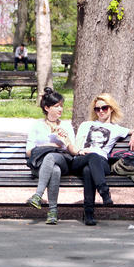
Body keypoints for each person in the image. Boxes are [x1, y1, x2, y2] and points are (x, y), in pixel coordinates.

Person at [71, 93, 134, 226]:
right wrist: (81, 151)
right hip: (81, 159)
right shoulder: (86, 125)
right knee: (92, 156)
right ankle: (104, 192)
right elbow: (77, 144)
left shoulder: (116, 129)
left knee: (89, 170)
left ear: (111, 109)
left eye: (104, 108)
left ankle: (89, 213)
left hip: (101, 164)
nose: (100, 111)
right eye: (97, 109)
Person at [25, 88, 79, 224]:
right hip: (40, 164)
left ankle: (38, 195)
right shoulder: (37, 126)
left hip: (63, 160)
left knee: (51, 158)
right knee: (54, 170)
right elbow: (29, 151)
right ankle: (53, 212)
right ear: (47, 108)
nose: (60, 109)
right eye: (56, 106)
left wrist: (65, 140)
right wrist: (49, 146)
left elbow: (74, 151)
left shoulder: (66, 126)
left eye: (61, 106)